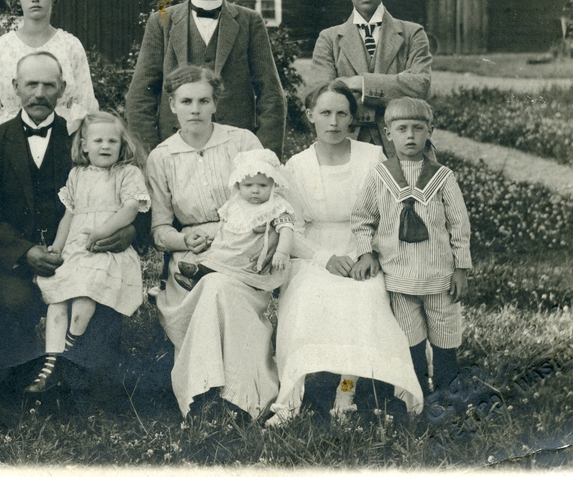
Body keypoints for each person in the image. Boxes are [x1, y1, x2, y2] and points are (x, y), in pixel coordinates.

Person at [0, 51, 137, 382]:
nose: (39, 94)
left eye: (48, 85)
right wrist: (25, 252)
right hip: (15, 261)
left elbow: (125, 189)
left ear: (62, 89)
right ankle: (22, 385)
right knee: (14, 303)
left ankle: (83, 387)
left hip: (81, 254)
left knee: (99, 302)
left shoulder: (84, 139)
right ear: (15, 87)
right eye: (31, 84)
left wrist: (129, 231)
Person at [269, 81, 422, 426]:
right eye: (325, 113)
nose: (334, 122)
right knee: (305, 299)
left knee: (364, 298)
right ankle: (290, 398)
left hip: (363, 248)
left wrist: (370, 254)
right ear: (310, 115)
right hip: (313, 252)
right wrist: (324, 258)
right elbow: (290, 228)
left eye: (342, 113)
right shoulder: (296, 165)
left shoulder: (372, 157)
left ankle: (346, 391)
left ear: (353, 118)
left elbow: (391, 214)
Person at [144, 65, 276, 418]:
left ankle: (222, 395)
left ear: (216, 104)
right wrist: (183, 237)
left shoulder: (242, 143)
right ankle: (221, 394)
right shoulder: (162, 157)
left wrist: (222, 232)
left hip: (243, 248)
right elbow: (159, 230)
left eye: (204, 101)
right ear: (172, 105)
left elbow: (269, 205)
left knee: (218, 287)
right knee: (212, 286)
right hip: (190, 256)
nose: (195, 109)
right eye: (186, 101)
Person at [351, 97, 472, 398]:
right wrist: (366, 253)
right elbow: (362, 218)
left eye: (418, 128)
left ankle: (446, 394)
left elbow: (459, 224)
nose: (410, 136)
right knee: (409, 340)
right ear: (388, 133)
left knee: (445, 338)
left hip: (440, 277)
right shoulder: (380, 176)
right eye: (402, 128)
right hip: (399, 278)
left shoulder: (442, 177)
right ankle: (417, 397)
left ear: (430, 131)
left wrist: (460, 268)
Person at [26, 111, 149, 394]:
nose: (105, 146)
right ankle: (51, 361)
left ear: (122, 145)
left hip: (107, 249)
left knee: (85, 292)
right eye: (98, 141)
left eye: (112, 141)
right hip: (77, 248)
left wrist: (102, 231)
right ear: (83, 146)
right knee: (57, 298)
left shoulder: (126, 173)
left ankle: (69, 345)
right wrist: (57, 247)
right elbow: (69, 216)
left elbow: (131, 209)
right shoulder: (77, 175)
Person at [125, 0, 285, 156]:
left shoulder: (249, 22)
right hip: (174, 149)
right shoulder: (162, 21)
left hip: (236, 150)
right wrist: (150, 156)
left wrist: (262, 157)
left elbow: (271, 95)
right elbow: (140, 96)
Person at [309, 0, 433, 156]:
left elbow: (421, 87)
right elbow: (323, 98)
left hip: (404, 149)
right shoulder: (328, 39)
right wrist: (396, 87)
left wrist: (360, 84)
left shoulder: (412, 34)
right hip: (346, 148)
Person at [0, 0, 99, 132]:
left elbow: (86, 106)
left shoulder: (70, 46)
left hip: (63, 138)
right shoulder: (0, 49)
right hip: (11, 140)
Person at [176, 148, 296, 292]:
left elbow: (287, 229)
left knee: (230, 263)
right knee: (218, 255)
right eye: (248, 185)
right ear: (238, 185)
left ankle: (199, 275)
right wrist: (210, 236)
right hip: (231, 248)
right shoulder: (236, 203)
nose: (255, 190)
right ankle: (197, 277)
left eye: (263, 185)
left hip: (249, 255)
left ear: (273, 185)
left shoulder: (276, 205)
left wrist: (282, 252)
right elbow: (226, 224)